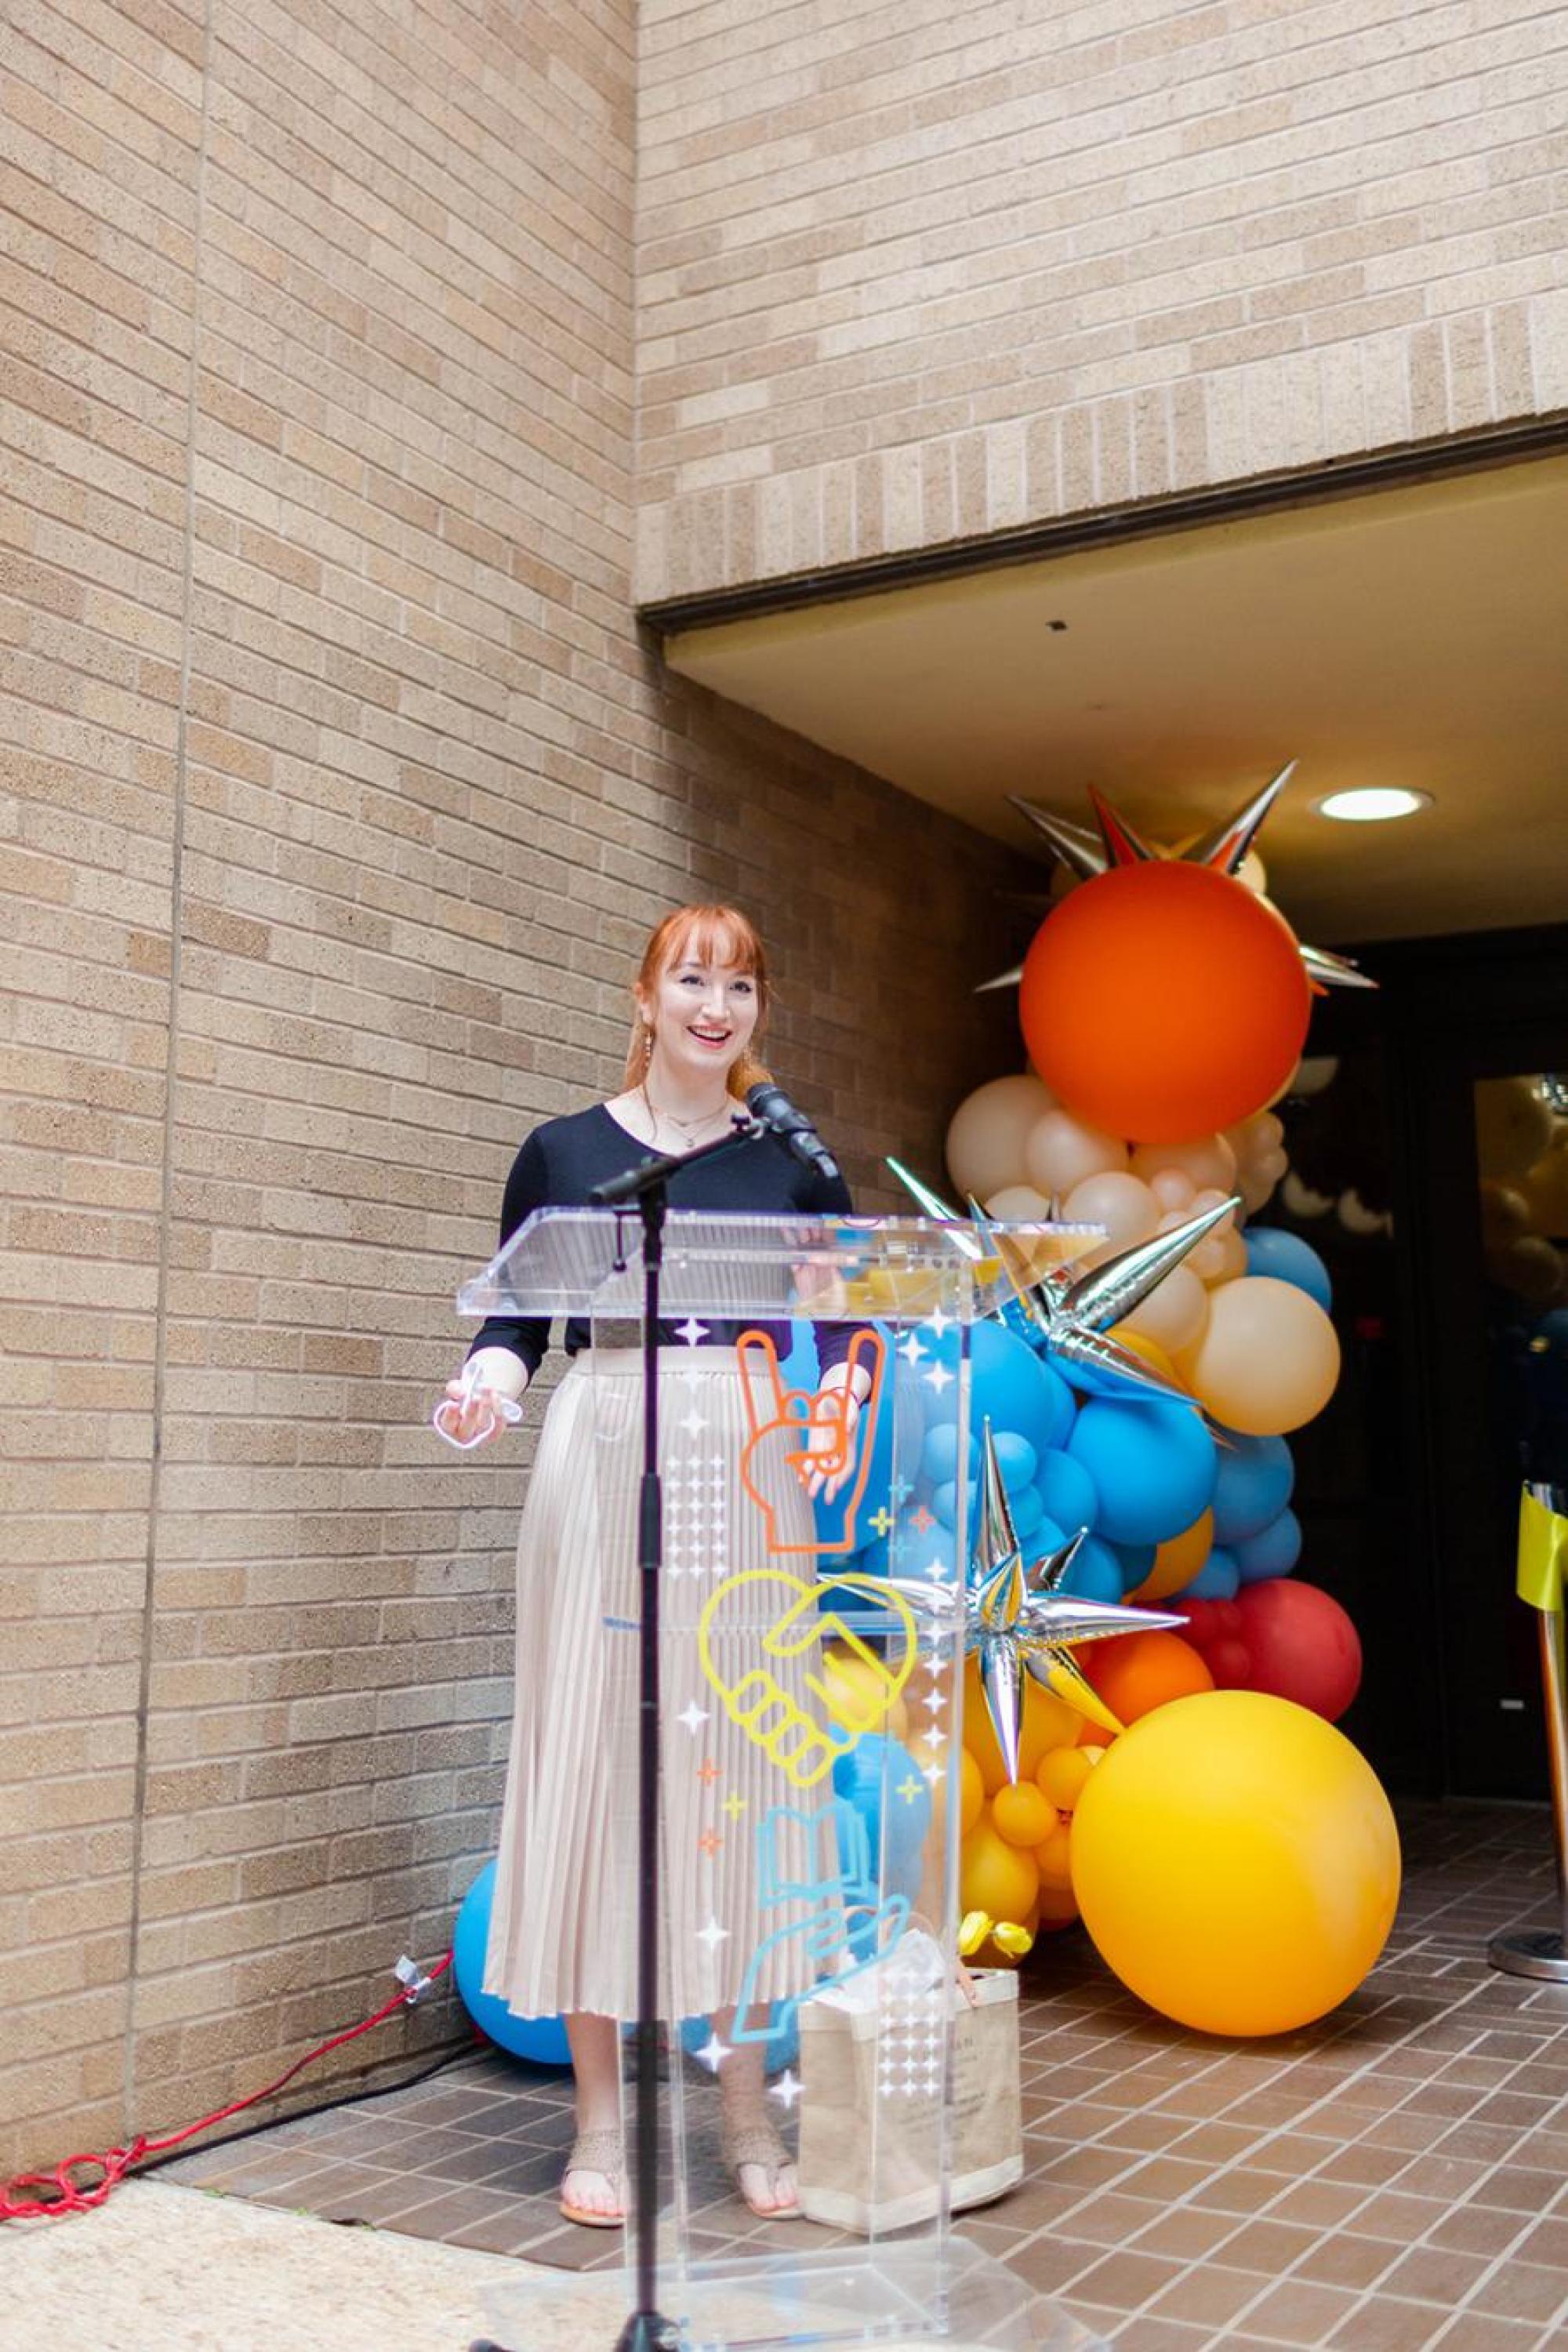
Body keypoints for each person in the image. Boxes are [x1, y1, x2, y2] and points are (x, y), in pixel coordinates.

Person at [439, 905, 872, 2230]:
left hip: (748, 1454)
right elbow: (522, 1311)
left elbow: (852, 1314)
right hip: (606, 1432)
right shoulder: (563, 1150)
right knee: (597, 1761)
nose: (716, 1005)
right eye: (693, 978)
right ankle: (600, 2125)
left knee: (737, 1770)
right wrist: (485, 1384)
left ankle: (744, 2111)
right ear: (642, 998)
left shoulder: (789, 1159)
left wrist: (842, 1402)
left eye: (741, 984)